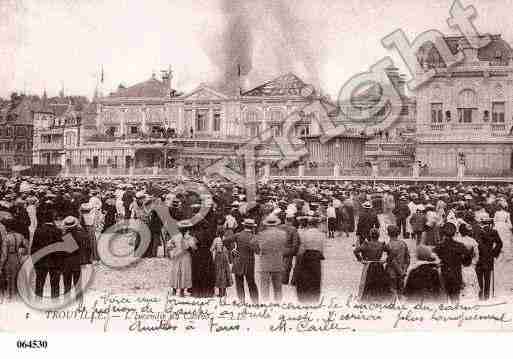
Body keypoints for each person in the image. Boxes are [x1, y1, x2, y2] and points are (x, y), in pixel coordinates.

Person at [434, 222, 472, 303]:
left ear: (443, 233)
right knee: (455, 301)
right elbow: (467, 263)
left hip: (443, 277)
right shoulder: (460, 246)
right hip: (456, 276)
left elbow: (434, 263)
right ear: (454, 233)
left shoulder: (438, 247)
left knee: (443, 303)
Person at [224, 218, 259, 303]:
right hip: (249, 262)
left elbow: (225, 241)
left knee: (239, 283)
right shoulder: (254, 237)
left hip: (238, 261)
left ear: (244, 226)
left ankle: (242, 301)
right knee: (251, 283)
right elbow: (257, 251)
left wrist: (232, 249)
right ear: (252, 227)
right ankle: (255, 301)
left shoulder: (238, 235)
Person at [31, 210, 63, 298]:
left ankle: (38, 302)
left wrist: (35, 262)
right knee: (55, 284)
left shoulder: (38, 231)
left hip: (41, 261)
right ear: (53, 219)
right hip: (55, 261)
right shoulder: (58, 231)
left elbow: (33, 248)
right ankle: (55, 304)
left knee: (39, 283)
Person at [353, 228, 391, 302]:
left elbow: (355, 251)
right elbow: (391, 252)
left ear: (370, 236)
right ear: (378, 236)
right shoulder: (381, 244)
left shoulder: (366, 244)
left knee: (367, 282)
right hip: (379, 265)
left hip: (369, 265)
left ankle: (368, 298)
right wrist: (385, 260)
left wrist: (361, 260)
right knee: (380, 283)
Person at [293, 216, 325, 303]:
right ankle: (315, 297)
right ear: (317, 225)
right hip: (317, 256)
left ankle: (304, 296)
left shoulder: (305, 233)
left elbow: (302, 247)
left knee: (305, 277)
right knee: (316, 277)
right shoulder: (321, 234)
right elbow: (322, 248)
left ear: (309, 224)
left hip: (307, 255)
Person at [255, 215, 287, 303]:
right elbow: (284, 245)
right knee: (278, 286)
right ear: (276, 223)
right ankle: (278, 303)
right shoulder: (283, 234)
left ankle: (265, 303)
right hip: (277, 261)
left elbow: (255, 246)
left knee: (264, 285)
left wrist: (259, 252)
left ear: (266, 224)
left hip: (265, 261)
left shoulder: (261, 234)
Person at [61, 216, 91, 296]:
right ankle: (79, 303)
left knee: (66, 286)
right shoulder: (80, 235)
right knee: (77, 285)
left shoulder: (63, 237)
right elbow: (86, 244)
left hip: (66, 262)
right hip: (76, 261)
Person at [0, 217, 29, 300]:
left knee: (9, 279)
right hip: (18, 258)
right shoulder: (20, 236)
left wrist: (1, 265)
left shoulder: (7, 238)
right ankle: (17, 296)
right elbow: (27, 246)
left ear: (8, 227)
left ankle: (11, 297)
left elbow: (4, 254)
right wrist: (22, 252)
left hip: (9, 259)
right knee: (17, 278)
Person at [474, 216, 502, 300]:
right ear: (490, 223)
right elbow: (499, 243)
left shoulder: (477, 231)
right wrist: (494, 253)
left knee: (479, 277)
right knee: (487, 277)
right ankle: (486, 297)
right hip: (489, 257)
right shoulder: (493, 231)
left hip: (479, 257)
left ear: (482, 223)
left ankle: (480, 296)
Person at [167, 220, 196, 297]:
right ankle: (174, 289)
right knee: (176, 272)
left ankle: (182, 290)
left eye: (185, 229)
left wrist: (190, 245)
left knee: (184, 272)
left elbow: (193, 247)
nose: (183, 231)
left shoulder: (189, 238)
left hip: (185, 257)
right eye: (181, 229)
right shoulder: (176, 236)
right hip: (177, 256)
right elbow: (169, 244)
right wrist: (172, 248)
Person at [384, 225, 410, 299]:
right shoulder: (403, 244)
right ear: (398, 233)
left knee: (392, 293)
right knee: (400, 294)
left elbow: (391, 260)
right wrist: (404, 270)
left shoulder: (388, 245)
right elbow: (407, 259)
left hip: (392, 272)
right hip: (402, 273)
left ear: (388, 234)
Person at [456, 222, 479, 300]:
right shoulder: (472, 240)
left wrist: (473, 263)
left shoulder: (456, 240)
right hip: (467, 266)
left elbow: (476, 254)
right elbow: (476, 255)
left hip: (462, 266)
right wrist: (473, 264)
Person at [279, 216, 300, 285]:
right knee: (286, 266)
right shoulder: (293, 229)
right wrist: (294, 252)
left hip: (279, 249)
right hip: (288, 250)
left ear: (285, 220)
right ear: (292, 221)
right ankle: (284, 281)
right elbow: (295, 242)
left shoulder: (279, 227)